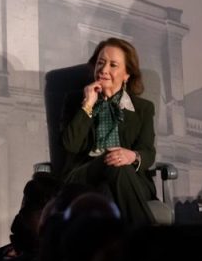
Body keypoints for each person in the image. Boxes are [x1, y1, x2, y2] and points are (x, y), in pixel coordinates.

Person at [59, 37, 158, 227]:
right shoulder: (74, 101)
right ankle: (150, 239)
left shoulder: (143, 108)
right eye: (100, 63)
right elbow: (70, 145)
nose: (104, 70)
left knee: (108, 187)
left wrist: (131, 155)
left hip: (129, 178)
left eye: (113, 65)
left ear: (127, 74)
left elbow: (148, 151)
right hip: (84, 174)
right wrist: (88, 105)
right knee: (113, 161)